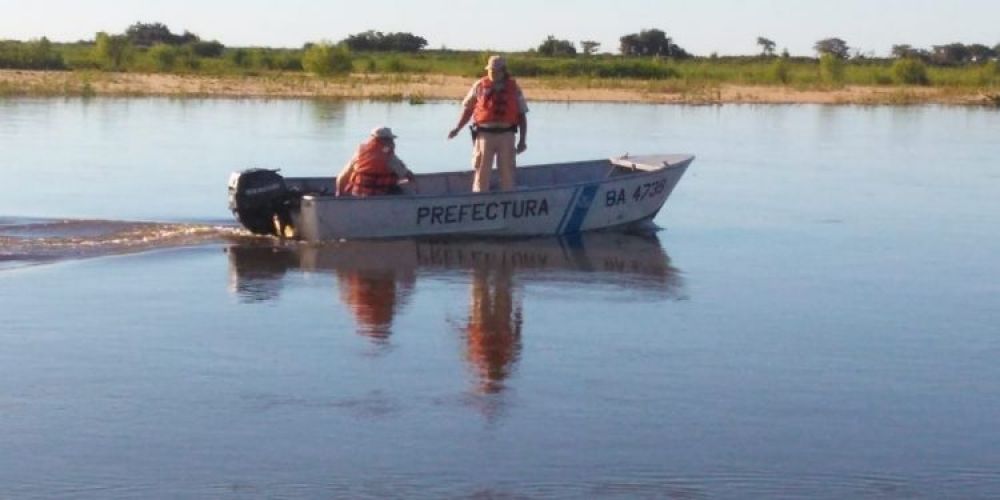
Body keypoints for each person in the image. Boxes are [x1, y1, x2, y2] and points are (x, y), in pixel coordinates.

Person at [447, 55, 529, 192]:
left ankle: (508, 197)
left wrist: (522, 141)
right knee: (481, 171)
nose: (492, 73)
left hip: (507, 135)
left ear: (503, 71)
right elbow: (468, 109)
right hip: (484, 136)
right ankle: (479, 197)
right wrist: (457, 128)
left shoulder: (514, 88)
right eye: (490, 70)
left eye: (496, 71)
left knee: (507, 172)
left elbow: (522, 115)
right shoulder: (479, 85)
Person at [336, 126, 417, 197]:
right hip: (381, 195)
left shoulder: (359, 154)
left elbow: (341, 177)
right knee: (399, 190)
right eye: (389, 140)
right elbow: (409, 176)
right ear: (383, 141)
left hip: (357, 194)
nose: (391, 142)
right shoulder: (390, 158)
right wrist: (415, 187)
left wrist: (339, 193)